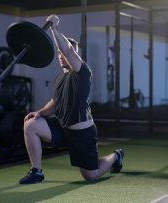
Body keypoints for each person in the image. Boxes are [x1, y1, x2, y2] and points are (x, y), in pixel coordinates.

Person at [19, 14, 124, 184]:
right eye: (59, 53)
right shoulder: (61, 78)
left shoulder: (82, 73)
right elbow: (55, 102)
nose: (61, 55)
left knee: (91, 175)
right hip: (61, 128)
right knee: (30, 125)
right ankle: (36, 171)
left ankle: (116, 156)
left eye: (64, 52)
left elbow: (68, 50)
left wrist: (54, 28)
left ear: (75, 55)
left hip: (82, 133)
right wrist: (39, 112)